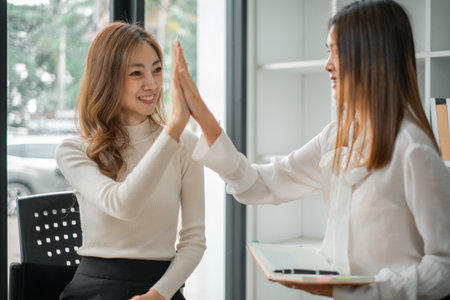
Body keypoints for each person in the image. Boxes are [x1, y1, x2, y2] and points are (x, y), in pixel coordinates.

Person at [172, 0, 450, 299]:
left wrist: (367, 290)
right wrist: (203, 118)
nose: (327, 64)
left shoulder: (413, 150)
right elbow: (258, 185)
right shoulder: (336, 137)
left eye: (337, 51)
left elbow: (444, 268)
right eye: (327, 51)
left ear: (371, 56)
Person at [55, 21, 206, 300]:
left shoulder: (186, 144)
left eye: (157, 70)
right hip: (95, 289)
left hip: (162, 289)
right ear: (108, 78)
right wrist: (172, 130)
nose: (152, 84)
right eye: (136, 73)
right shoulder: (74, 149)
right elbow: (121, 204)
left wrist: (159, 294)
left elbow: (194, 240)